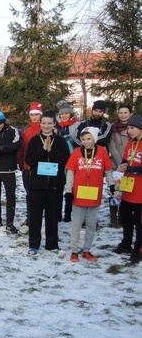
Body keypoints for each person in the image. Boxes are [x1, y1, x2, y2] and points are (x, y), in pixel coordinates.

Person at [64, 127, 113, 262]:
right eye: (83, 139)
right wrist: (68, 190)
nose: (85, 142)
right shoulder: (76, 152)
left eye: (88, 139)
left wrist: (112, 184)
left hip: (94, 195)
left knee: (91, 225)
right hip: (78, 195)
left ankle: (87, 250)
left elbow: (108, 170)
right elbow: (70, 172)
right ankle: (74, 250)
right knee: (77, 225)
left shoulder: (102, 152)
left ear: (94, 138)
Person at [25, 111, 70, 255]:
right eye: (43, 123)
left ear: (54, 124)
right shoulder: (34, 140)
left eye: (49, 123)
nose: (46, 126)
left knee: (52, 215)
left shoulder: (60, 140)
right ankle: (34, 244)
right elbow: (29, 161)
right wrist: (43, 151)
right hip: (37, 185)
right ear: (40, 124)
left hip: (54, 185)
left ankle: (52, 244)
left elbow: (65, 160)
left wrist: (52, 152)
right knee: (35, 215)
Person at [113, 114, 142, 263]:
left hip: (140, 191)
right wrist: (122, 165)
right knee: (125, 217)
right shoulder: (131, 143)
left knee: (139, 220)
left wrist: (131, 168)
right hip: (128, 187)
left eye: (132, 128)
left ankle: (138, 248)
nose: (129, 130)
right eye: (128, 128)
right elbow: (125, 159)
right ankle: (126, 243)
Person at [17, 101, 44, 229]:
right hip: (28, 167)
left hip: (43, 168)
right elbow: (21, 149)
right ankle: (30, 217)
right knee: (29, 194)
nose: (34, 117)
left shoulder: (45, 128)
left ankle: (40, 217)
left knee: (41, 194)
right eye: (32, 115)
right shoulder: (25, 131)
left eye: (36, 115)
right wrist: (22, 164)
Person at [108, 104, 132, 228]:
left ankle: (124, 217)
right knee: (115, 192)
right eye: (121, 112)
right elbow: (112, 146)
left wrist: (129, 164)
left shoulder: (135, 128)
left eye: (125, 112)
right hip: (117, 166)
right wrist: (121, 163)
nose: (123, 115)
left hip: (132, 165)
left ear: (130, 114)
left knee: (127, 192)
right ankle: (113, 218)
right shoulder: (113, 129)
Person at [56, 101, 78, 223]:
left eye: (66, 113)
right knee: (59, 187)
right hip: (60, 159)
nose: (64, 116)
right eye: (62, 113)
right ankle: (58, 213)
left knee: (70, 186)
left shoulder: (77, 124)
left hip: (73, 157)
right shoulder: (56, 125)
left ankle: (68, 213)